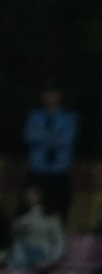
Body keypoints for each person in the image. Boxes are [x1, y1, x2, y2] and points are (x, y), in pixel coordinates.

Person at [23, 86, 77, 216]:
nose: (50, 97)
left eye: (53, 93)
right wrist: (55, 135)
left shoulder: (69, 118)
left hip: (60, 171)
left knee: (58, 211)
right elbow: (29, 136)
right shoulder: (34, 117)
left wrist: (42, 135)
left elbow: (66, 140)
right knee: (34, 210)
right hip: (38, 170)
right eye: (47, 93)